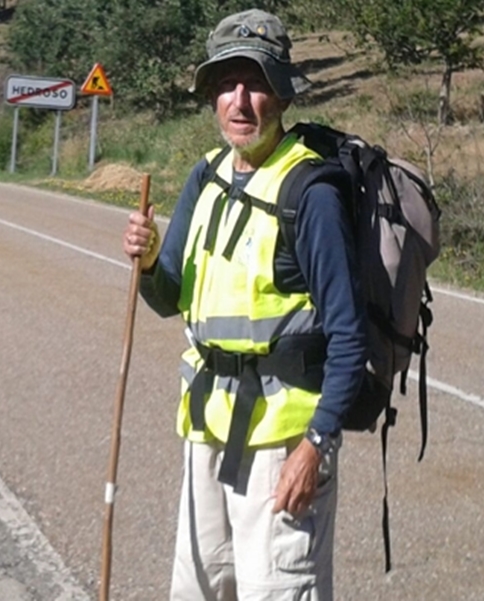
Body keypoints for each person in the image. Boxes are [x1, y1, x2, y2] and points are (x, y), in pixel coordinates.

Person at [121, 9, 368, 601]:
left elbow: (348, 335)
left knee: (277, 592)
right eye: (225, 83)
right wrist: (150, 261)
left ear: (280, 94)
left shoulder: (310, 192)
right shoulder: (204, 176)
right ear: (210, 94)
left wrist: (316, 447)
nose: (239, 101)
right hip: (208, 428)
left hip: (283, 445)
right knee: (197, 590)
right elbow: (166, 299)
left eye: (255, 82)